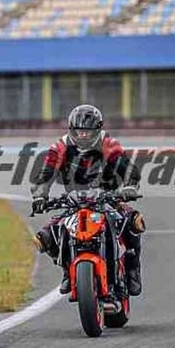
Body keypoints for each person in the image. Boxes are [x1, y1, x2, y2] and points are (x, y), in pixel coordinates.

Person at [30, 104, 145, 296]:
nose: (83, 135)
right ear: (72, 129)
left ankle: (133, 270)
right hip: (74, 202)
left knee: (134, 221)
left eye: (87, 131)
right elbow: (46, 173)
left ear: (97, 129)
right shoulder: (60, 147)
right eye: (79, 131)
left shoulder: (108, 143)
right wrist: (40, 195)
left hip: (108, 199)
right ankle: (67, 269)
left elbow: (128, 169)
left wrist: (130, 186)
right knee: (44, 238)